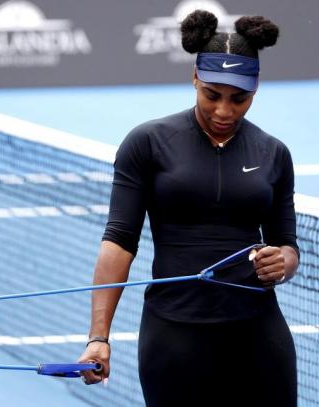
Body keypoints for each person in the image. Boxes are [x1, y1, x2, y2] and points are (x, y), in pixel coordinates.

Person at [78, 9, 299, 406]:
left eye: (239, 98)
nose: (224, 111)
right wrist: (98, 337)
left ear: (256, 88)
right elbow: (118, 243)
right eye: (212, 94)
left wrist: (281, 262)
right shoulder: (146, 144)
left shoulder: (274, 153)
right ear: (195, 78)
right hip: (173, 338)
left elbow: (286, 245)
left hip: (258, 337)